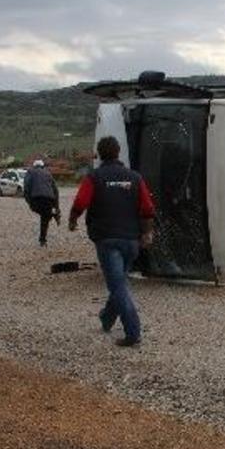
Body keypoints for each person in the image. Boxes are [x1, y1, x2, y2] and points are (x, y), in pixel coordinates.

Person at [68, 136, 155, 347]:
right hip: (131, 240)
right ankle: (107, 317)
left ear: (99, 154)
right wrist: (147, 233)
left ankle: (133, 332)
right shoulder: (134, 178)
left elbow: (81, 202)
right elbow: (147, 208)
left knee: (118, 286)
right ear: (118, 152)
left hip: (107, 239)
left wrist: (73, 219)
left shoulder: (94, 177)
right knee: (119, 282)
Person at [23, 159, 60, 247]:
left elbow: (26, 187)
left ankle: (51, 215)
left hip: (36, 199)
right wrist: (57, 207)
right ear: (43, 166)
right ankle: (43, 240)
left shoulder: (30, 172)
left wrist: (29, 201)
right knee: (45, 218)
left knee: (41, 213)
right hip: (49, 199)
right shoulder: (48, 173)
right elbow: (55, 190)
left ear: (34, 166)